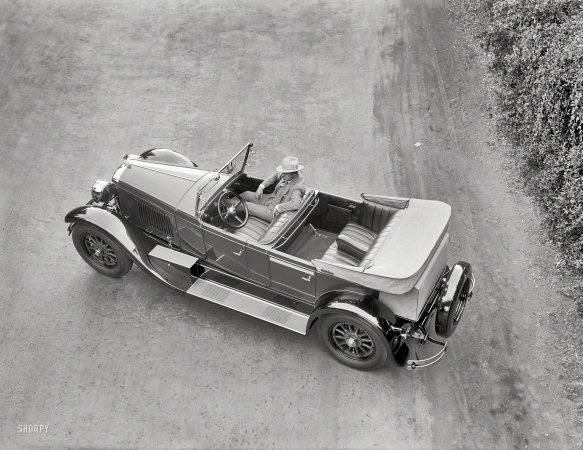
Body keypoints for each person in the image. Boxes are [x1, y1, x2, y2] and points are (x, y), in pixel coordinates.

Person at [239, 156, 305, 222]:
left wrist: (278, 207)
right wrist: (261, 187)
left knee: (243, 205)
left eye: (285, 173)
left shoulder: (297, 186)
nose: (282, 175)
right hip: (269, 199)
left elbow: (295, 204)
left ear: (294, 173)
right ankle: (229, 203)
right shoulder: (288, 176)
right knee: (246, 194)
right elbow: (275, 176)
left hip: (272, 211)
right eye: (282, 172)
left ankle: (229, 207)